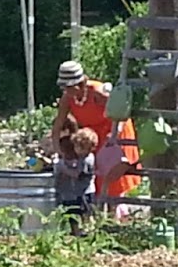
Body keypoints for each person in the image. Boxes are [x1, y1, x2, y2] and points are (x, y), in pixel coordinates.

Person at [49, 60, 137, 208]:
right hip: (92, 136)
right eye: (65, 87)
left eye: (71, 87)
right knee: (93, 174)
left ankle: (114, 212)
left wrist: (116, 134)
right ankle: (96, 211)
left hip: (113, 130)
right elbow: (58, 124)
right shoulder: (67, 98)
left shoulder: (97, 92)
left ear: (80, 83)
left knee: (112, 175)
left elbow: (120, 113)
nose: (68, 91)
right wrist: (58, 149)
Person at [54, 128, 98, 233]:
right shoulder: (81, 158)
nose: (76, 150)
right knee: (74, 210)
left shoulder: (87, 159)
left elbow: (76, 174)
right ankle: (77, 231)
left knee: (85, 211)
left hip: (85, 191)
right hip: (78, 191)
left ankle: (87, 230)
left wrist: (62, 167)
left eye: (79, 147)